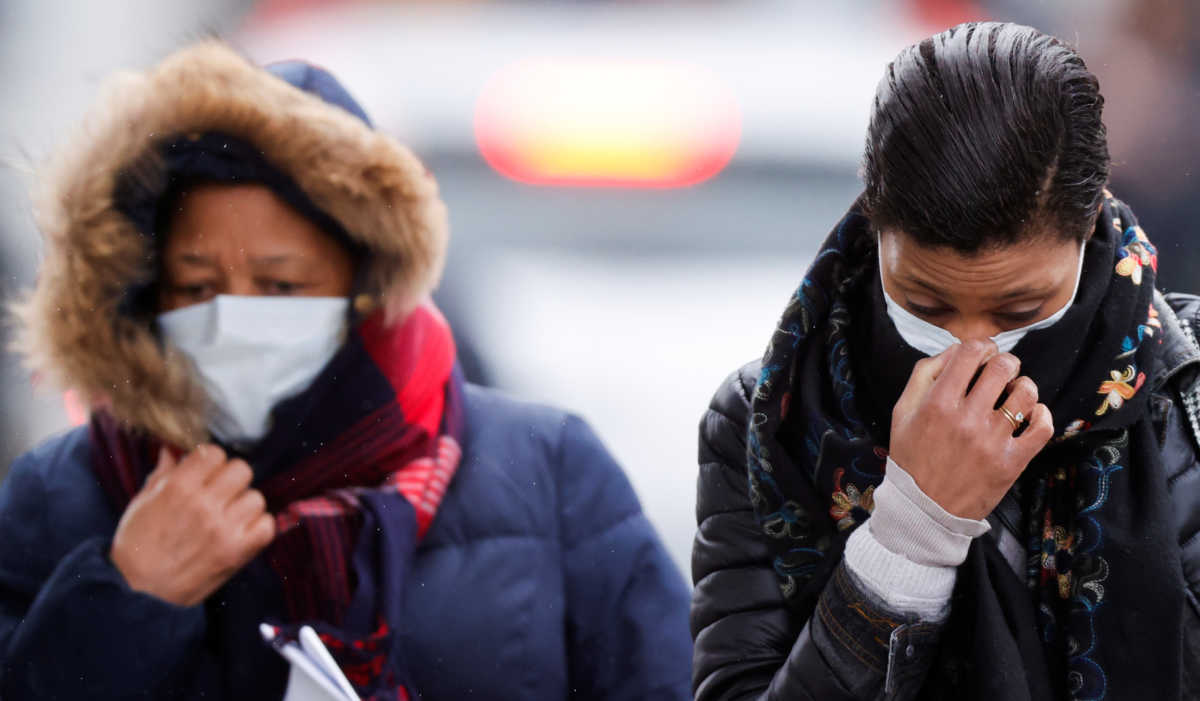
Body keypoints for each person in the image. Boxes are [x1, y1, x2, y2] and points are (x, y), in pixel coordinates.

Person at [0, 42, 692, 700]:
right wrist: (126, 595)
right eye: (198, 286)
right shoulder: (63, 493)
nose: (233, 315)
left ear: (361, 284)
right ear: (146, 288)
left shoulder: (546, 470)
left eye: (281, 287)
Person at [692, 22, 1200, 700]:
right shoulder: (769, 423)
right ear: (876, 228)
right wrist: (910, 538)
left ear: (1086, 233)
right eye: (925, 306)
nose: (970, 353)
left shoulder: (1187, 393)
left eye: (1019, 312)